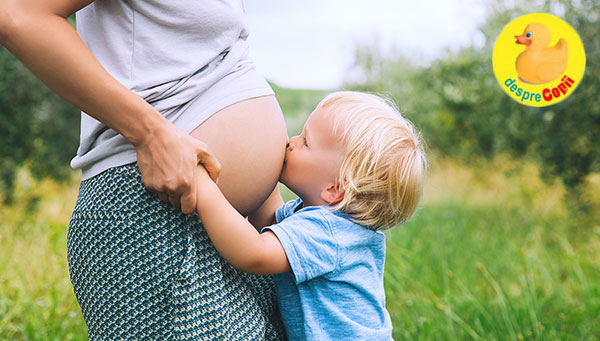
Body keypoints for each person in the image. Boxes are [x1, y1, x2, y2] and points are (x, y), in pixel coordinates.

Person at [0, 0, 288, 339]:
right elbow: (19, 14)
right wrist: (150, 133)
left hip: (234, 232)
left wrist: (273, 211)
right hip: (152, 217)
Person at [194, 91, 428, 340]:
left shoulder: (328, 232)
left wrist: (201, 183)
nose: (291, 142)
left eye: (306, 142)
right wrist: (260, 158)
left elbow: (254, 254)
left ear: (334, 189)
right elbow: (268, 222)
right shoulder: (314, 216)